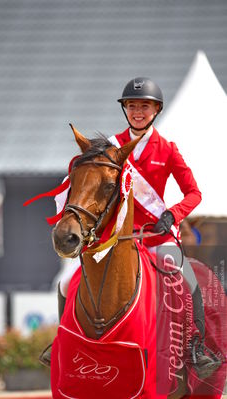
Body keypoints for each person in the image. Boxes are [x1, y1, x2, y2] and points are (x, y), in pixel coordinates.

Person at [57, 77, 203, 333]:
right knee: (64, 282)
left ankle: (196, 346)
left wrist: (173, 214)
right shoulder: (110, 148)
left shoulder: (167, 150)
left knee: (187, 279)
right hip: (114, 237)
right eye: (132, 106)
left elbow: (194, 193)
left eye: (144, 106)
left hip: (155, 236)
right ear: (125, 109)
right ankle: (63, 339)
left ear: (156, 110)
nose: (137, 112)